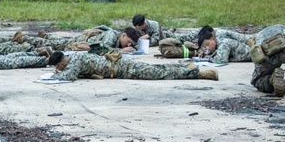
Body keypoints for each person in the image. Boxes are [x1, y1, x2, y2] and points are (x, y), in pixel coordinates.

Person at [47, 50, 218, 82]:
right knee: (157, 70)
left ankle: (199, 74)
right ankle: (186, 68)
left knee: (158, 74)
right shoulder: (74, 56)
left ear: (62, 63)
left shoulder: (74, 61)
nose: (58, 70)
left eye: (58, 67)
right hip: (121, 66)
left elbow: (69, 77)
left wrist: (55, 76)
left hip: (123, 68)